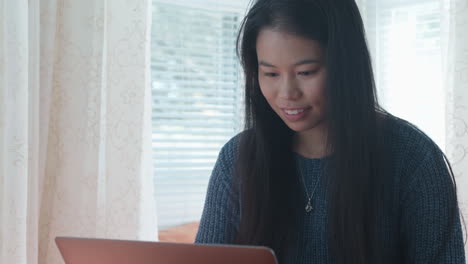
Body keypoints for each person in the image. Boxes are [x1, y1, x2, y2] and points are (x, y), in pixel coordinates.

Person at [194, 0, 467, 263]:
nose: (287, 94)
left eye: (306, 72)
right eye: (271, 74)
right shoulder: (237, 159)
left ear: (345, 65)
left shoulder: (413, 159)